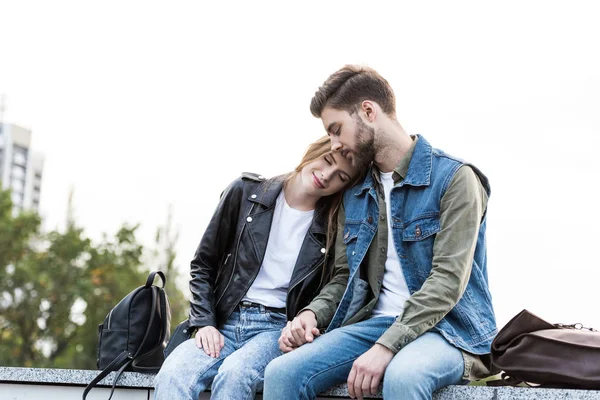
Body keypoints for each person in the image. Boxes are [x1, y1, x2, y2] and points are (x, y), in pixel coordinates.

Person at [263, 65, 497, 400]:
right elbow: (345, 275)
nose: (335, 143)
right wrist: (311, 314)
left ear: (369, 112)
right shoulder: (356, 192)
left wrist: (386, 347)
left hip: (449, 330)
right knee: (282, 373)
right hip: (373, 325)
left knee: (402, 377)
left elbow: (447, 282)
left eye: (337, 129)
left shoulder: (455, 179)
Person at [153, 135, 361, 400]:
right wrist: (204, 322)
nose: (327, 175)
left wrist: (305, 322)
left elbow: (340, 283)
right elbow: (204, 264)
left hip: (276, 330)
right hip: (224, 321)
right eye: (328, 160)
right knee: (172, 374)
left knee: (235, 375)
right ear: (313, 151)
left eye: (341, 177)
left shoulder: (333, 226)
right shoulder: (244, 192)